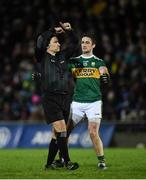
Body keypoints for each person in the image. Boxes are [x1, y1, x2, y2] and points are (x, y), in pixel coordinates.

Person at [54, 33, 110, 170]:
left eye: (87, 42)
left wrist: (105, 77)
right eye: (83, 42)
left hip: (94, 102)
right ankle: (63, 158)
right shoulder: (74, 61)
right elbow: (57, 70)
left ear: (93, 45)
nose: (84, 44)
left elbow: (105, 73)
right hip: (77, 102)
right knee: (64, 132)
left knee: (92, 132)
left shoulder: (98, 62)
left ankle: (101, 161)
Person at [34, 22, 79, 170]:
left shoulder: (63, 56)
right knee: (61, 129)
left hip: (65, 98)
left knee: (57, 134)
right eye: (55, 41)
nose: (58, 44)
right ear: (48, 46)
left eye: (58, 41)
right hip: (50, 97)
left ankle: (48, 164)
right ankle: (67, 162)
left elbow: (74, 43)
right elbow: (40, 39)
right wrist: (52, 30)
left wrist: (69, 30)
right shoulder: (42, 56)